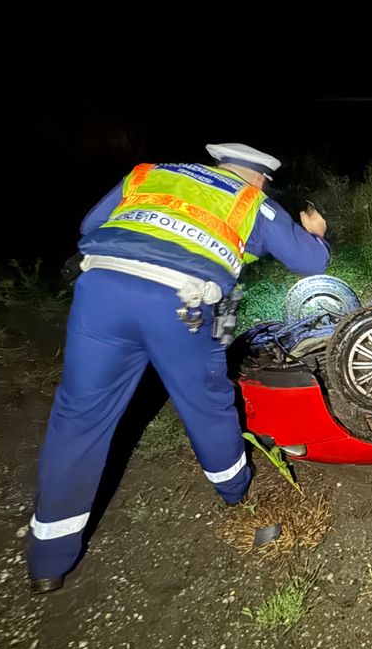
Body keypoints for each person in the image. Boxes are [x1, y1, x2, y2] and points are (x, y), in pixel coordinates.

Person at [28, 142, 329, 593]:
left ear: (218, 163)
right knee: (205, 401)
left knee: (79, 416)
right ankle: (234, 489)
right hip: (177, 303)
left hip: (100, 291)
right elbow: (311, 262)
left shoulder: (149, 174)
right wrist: (315, 231)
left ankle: (48, 559)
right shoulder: (251, 201)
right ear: (261, 178)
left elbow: (91, 226)